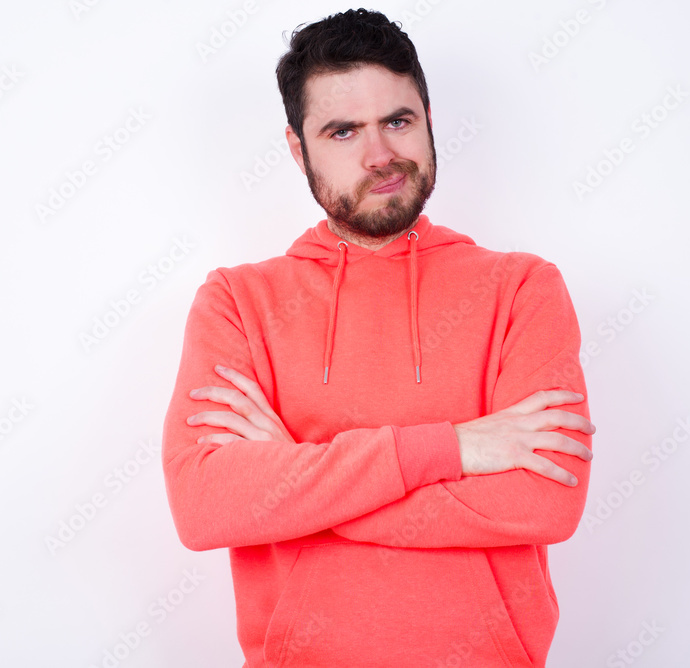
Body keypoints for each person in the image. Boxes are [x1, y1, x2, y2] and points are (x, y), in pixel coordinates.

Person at [162, 8, 595, 667]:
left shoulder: (522, 289)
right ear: (297, 146)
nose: (381, 155)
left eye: (398, 120)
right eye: (342, 130)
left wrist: (295, 485)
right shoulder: (238, 303)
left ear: (427, 117)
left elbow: (544, 500)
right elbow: (204, 507)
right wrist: (451, 448)